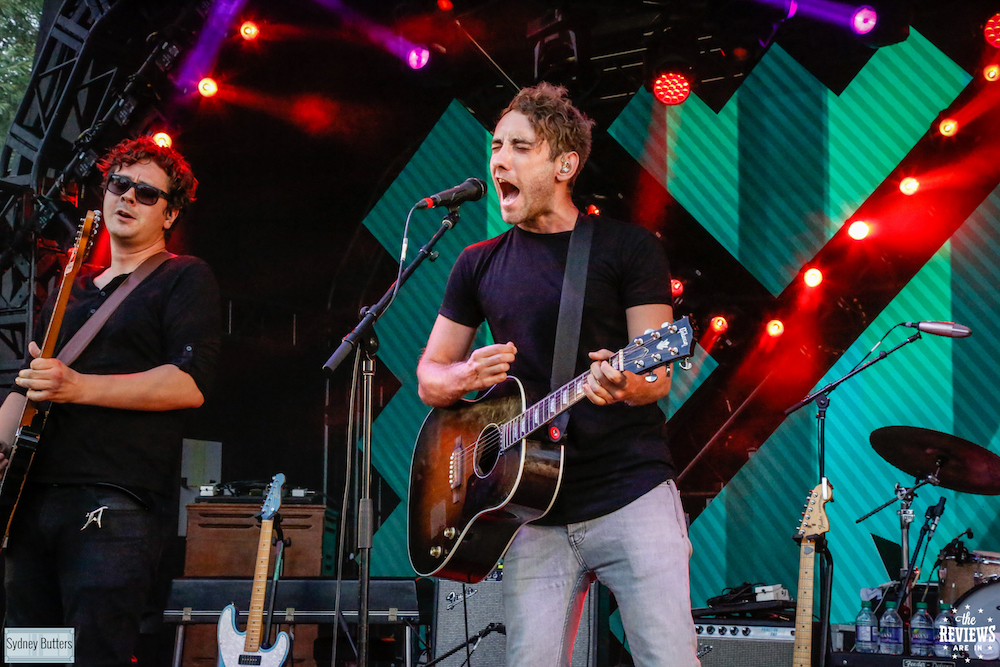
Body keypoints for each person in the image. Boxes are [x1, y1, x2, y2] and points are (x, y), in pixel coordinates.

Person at [416, 82, 700, 666]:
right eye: (496, 146)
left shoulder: (628, 248)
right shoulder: (477, 263)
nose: (499, 161)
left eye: (520, 147)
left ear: (565, 164)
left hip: (630, 492)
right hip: (530, 513)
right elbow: (429, 377)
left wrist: (627, 383)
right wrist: (466, 373)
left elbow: (659, 374)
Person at [0, 135, 221, 666]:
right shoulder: (69, 288)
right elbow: (28, 384)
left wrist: (76, 386)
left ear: (169, 214)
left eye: (147, 194)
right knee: (32, 654)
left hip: (115, 502)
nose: (128, 198)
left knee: (94, 652)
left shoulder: (183, 277)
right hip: (31, 500)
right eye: (120, 185)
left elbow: (187, 384)